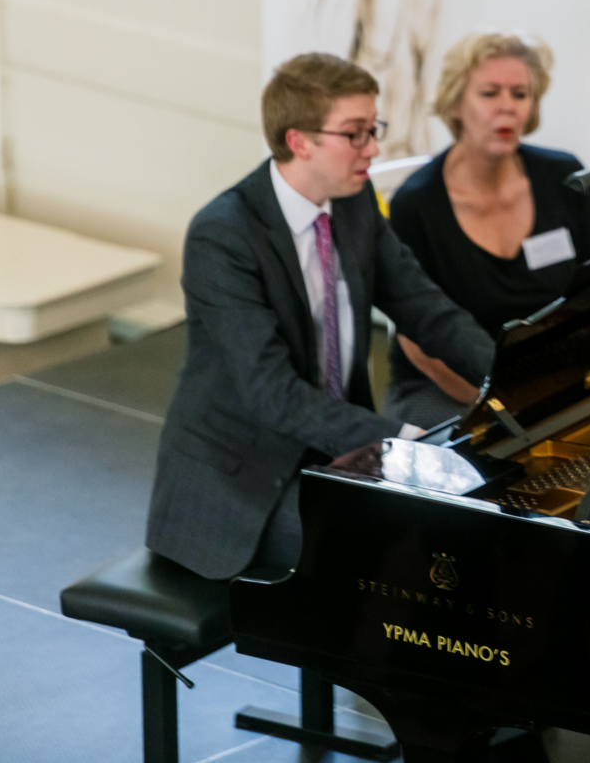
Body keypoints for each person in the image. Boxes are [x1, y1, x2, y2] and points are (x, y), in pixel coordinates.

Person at [145, 53, 495, 580]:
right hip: (244, 482)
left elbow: (427, 310)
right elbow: (271, 393)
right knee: (393, 557)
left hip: (338, 451)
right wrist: (406, 441)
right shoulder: (222, 236)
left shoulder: (353, 205)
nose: (373, 149)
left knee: (462, 532)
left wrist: (510, 379)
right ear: (298, 141)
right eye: (355, 134)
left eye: (373, 129)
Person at [384, 31, 590, 428]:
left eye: (520, 94)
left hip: (551, 380)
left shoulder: (566, 178)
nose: (507, 107)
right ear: (455, 104)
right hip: (446, 388)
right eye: (489, 94)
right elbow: (418, 345)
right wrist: (495, 404)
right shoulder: (415, 205)